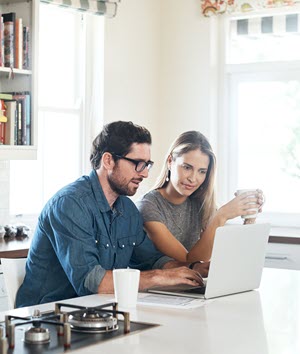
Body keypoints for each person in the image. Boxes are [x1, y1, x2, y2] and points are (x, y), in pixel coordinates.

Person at [16, 121, 206, 308]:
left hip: (96, 313)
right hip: (44, 319)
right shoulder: (70, 204)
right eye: (138, 164)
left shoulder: (127, 210)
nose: (145, 173)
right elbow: (91, 282)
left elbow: (151, 260)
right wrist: (158, 277)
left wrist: (193, 268)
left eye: (147, 164)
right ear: (108, 161)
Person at [136, 130, 264, 263]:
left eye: (202, 171)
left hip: (196, 282)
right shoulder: (148, 206)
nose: (193, 178)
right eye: (187, 167)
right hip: (161, 283)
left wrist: (250, 214)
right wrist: (221, 216)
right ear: (170, 161)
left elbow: (232, 255)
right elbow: (189, 261)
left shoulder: (201, 204)